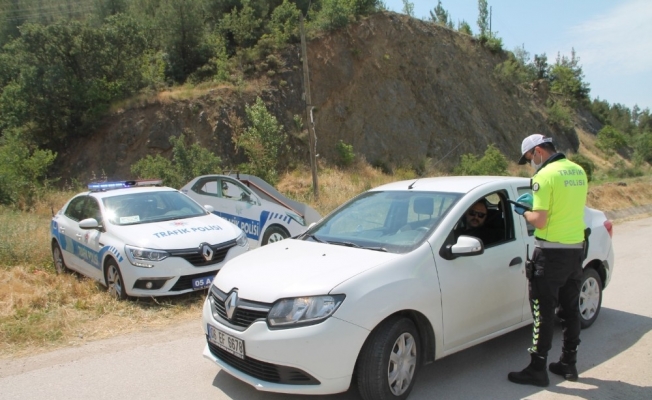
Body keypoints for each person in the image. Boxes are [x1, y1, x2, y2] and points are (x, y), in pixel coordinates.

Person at [508, 134, 588, 387]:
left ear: (539, 151)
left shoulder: (544, 176)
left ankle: (537, 368)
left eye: (529, 157)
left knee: (543, 313)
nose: (531, 163)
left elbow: (540, 221)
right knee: (570, 310)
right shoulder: (578, 171)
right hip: (575, 251)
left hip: (550, 253)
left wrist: (525, 212)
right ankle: (568, 363)